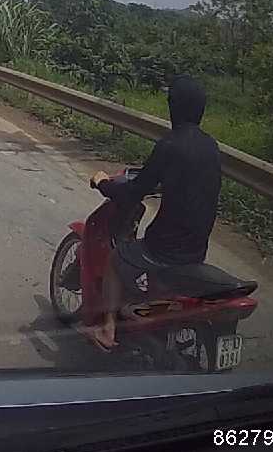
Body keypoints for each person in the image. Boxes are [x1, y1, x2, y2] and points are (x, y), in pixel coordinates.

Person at [76, 74, 222, 351]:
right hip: (196, 249)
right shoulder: (211, 147)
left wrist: (103, 183)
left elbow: (134, 192)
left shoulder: (169, 145)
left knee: (116, 259)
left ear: (173, 107)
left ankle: (107, 329)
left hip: (164, 249)